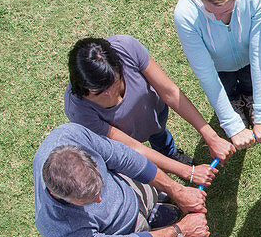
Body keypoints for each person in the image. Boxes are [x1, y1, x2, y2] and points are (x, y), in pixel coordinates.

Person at [65, 35, 235, 188]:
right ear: (82, 88)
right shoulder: (78, 110)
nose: (110, 94)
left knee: (160, 136)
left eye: (114, 82)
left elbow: (169, 92)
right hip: (128, 140)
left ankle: (169, 154)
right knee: (137, 165)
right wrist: (187, 172)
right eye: (99, 93)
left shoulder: (127, 48)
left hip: (154, 114)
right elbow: (133, 148)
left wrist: (210, 136)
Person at [34, 123, 209, 237]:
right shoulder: (65, 232)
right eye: (88, 201)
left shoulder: (70, 135)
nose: (100, 199)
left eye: (100, 186)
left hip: (130, 189)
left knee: (149, 194)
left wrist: (176, 189)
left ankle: (150, 213)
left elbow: (123, 157)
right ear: (56, 194)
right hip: (123, 234)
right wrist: (180, 230)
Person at [174, 0, 261, 151]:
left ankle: (250, 99)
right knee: (226, 88)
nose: (218, 19)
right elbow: (206, 73)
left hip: (248, 59)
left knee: (250, 82)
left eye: (225, 11)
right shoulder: (184, 15)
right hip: (218, 66)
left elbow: (258, 53)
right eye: (210, 12)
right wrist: (232, 125)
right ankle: (234, 103)